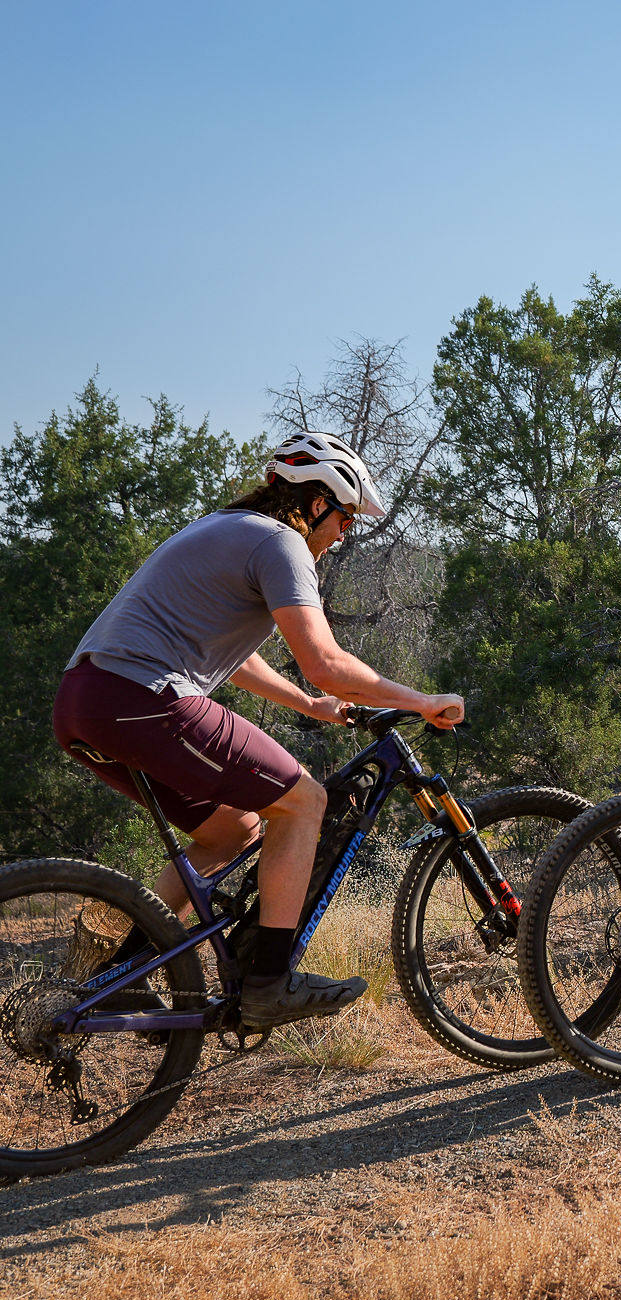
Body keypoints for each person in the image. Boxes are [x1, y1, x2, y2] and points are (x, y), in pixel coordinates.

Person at [53, 432, 464, 1028]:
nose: (345, 533)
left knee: (231, 832)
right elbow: (327, 662)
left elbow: (236, 658)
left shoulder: (221, 527)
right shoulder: (281, 543)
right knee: (303, 803)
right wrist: (422, 700)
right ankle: (271, 981)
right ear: (317, 501)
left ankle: (123, 974)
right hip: (143, 695)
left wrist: (306, 703)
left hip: (85, 702)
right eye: (346, 517)